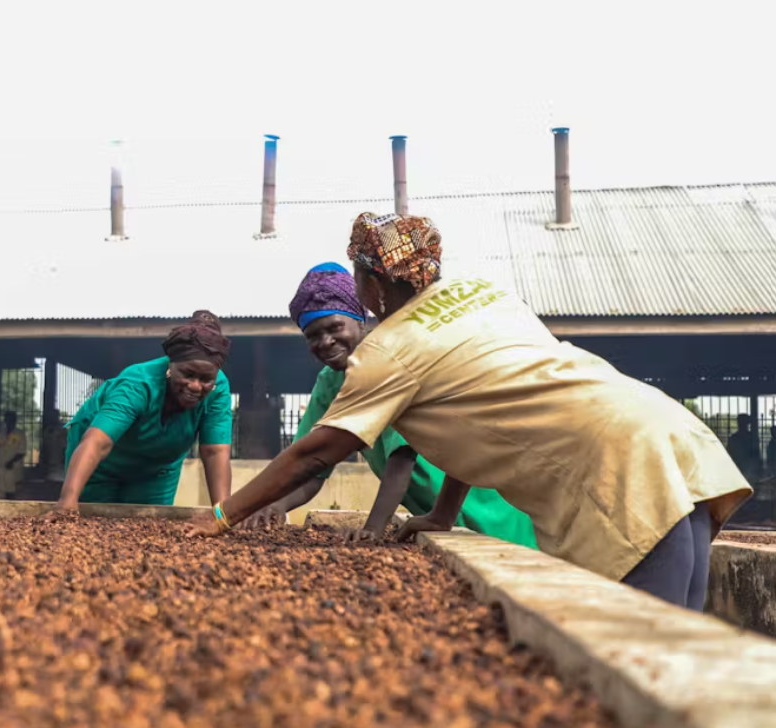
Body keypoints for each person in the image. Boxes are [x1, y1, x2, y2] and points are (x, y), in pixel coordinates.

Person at [191, 212, 750, 611]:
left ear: (371, 282)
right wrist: (440, 515)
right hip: (673, 437)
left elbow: (315, 453)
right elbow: (478, 419)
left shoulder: (389, 350)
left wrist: (222, 516)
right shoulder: (484, 294)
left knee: (644, 662)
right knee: (680, 643)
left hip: (615, 471)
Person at [240, 263, 537, 547]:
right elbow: (311, 467)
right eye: (313, 335)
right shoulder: (329, 384)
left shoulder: (389, 361)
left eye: (334, 327)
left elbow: (401, 460)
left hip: (485, 509)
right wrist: (277, 505)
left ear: (360, 319)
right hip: (433, 518)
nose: (326, 341)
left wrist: (374, 528)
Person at [51, 311, 233, 513]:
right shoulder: (138, 382)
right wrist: (67, 501)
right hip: (102, 463)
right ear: (170, 366)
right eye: (188, 374)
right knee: (91, 520)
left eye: (206, 380)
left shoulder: (219, 389)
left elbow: (214, 451)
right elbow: (98, 442)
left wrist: (222, 517)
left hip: (157, 470)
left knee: (149, 524)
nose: (196, 386)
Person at [0, 412, 27, 500]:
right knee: (0, 491)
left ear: (15, 421)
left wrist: (11, 462)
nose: (8, 422)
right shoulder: (1, 433)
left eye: (11, 420)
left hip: (13, 466)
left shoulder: (20, 434)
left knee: (12, 491)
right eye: (6, 420)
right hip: (0, 464)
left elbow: (22, 451)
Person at [727, 414, 760, 481]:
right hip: (748, 468)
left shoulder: (734, 438)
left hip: (738, 468)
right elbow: (756, 454)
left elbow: (729, 454)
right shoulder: (752, 437)